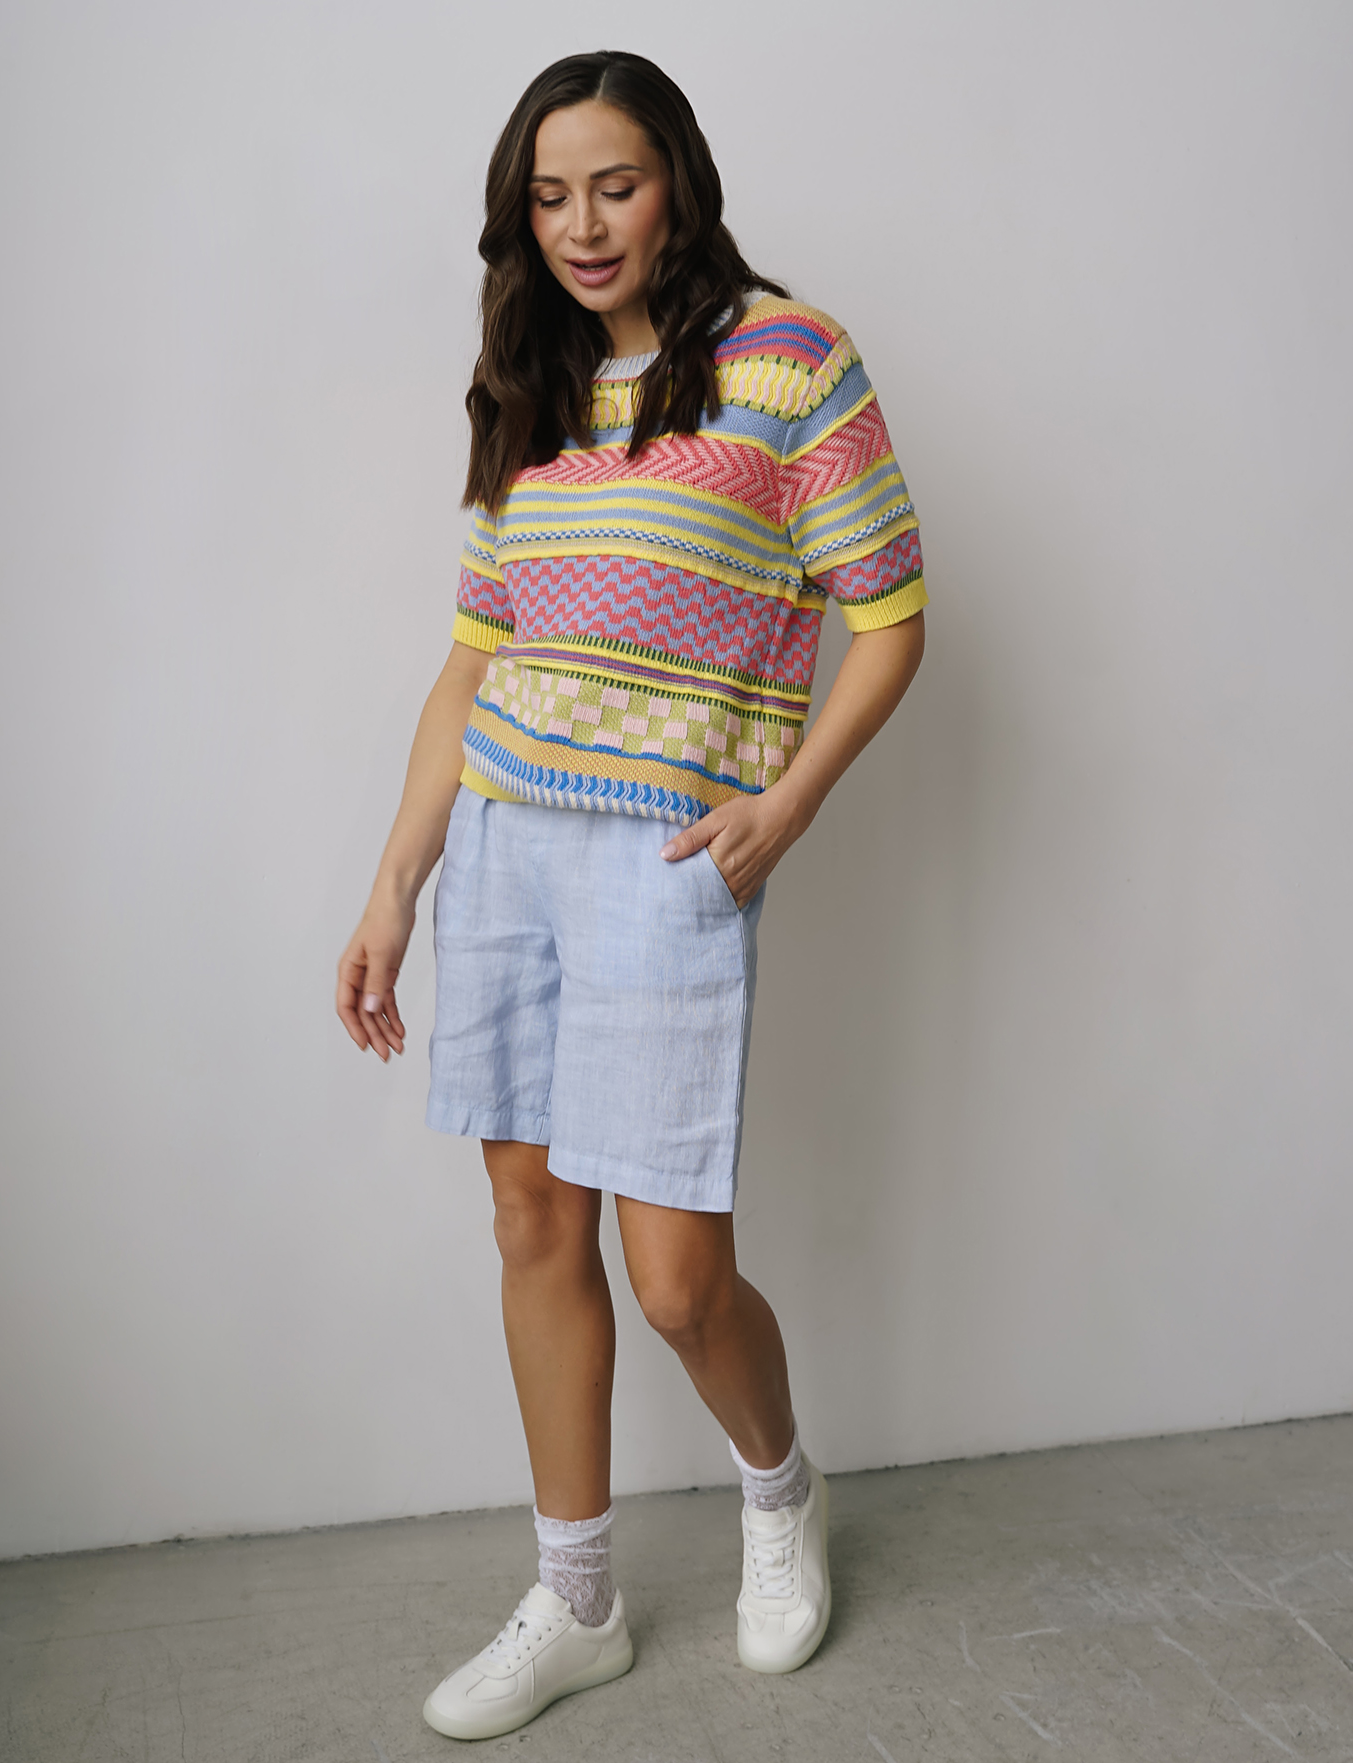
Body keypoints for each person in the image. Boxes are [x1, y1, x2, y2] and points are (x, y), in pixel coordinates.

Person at [336, 49, 927, 1742]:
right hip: (506, 845)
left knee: (674, 1278)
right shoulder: (525, 383)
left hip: (671, 852)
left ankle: (779, 1491)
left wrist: (783, 809)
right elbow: (473, 662)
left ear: (679, 180)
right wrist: (393, 888)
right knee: (533, 1224)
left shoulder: (788, 361)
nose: (582, 226)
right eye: (548, 196)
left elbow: (889, 615)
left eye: (614, 184)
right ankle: (577, 1596)